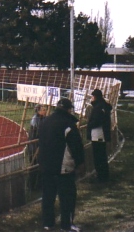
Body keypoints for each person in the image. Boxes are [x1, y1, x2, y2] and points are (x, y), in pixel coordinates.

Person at [38, 98, 85, 232]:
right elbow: (76, 147)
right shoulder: (68, 124)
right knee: (68, 197)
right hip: (62, 167)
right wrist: (80, 163)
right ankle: (66, 225)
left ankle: (48, 223)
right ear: (69, 109)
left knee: (48, 196)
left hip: (46, 165)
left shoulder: (45, 122)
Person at [87, 88, 112, 183]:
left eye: (92, 97)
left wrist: (89, 124)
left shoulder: (98, 107)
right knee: (101, 156)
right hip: (100, 135)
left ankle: (101, 176)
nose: (91, 99)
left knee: (98, 157)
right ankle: (103, 175)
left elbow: (96, 121)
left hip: (98, 135)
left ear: (95, 97)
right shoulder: (103, 106)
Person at [28, 104, 48, 189]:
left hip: (40, 145)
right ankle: (31, 185)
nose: (45, 111)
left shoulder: (43, 118)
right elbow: (37, 134)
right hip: (34, 146)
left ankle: (39, 184)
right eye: (43, 110)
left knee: (41, 165)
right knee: (34, 165)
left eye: (45, 109)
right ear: (38, 111)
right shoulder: (35, 120)